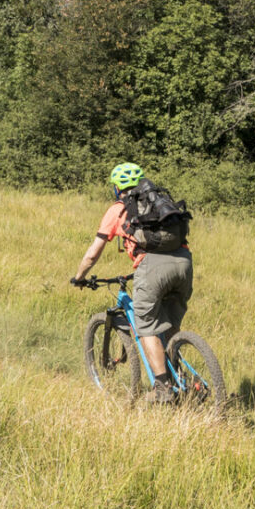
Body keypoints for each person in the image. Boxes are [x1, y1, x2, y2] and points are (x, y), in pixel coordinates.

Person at [70, 162, 193, 405]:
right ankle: (181, 382)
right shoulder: (158, 201)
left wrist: (79, 277)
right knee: (169, 327)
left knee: (144, 324)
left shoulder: (118, 209)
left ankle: (163, 389)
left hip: (151, 266)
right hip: (184, 262)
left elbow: (93, 253)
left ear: (117, 188)